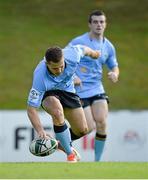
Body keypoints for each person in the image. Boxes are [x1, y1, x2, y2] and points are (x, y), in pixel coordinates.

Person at [27, 45, 100, 162]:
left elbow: (84, 49)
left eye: (62, 66)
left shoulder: (73, 55)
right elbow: (31, 109)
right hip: (48, 93)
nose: (60, 71)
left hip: (68, 91)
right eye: (55, 69)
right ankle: (70, 154)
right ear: (47, 64)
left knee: (82, 130)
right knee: (57, 112)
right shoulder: (40, 77)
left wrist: (94, 53)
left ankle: (58, 143)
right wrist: (40, 131)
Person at [67, 10, 119, 161]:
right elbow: (63, 57)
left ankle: (97, 162)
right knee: (87, 128)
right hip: (80, 90)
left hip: (97, 88)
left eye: (101, 22)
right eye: (95, 22)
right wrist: (73, 76)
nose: (99, 24)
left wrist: (115, 74)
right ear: (89, 24)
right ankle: (61, 141)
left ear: (106, 24)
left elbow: (114, 66)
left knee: (102, 123)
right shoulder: (78, 42)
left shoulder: (108, 46)